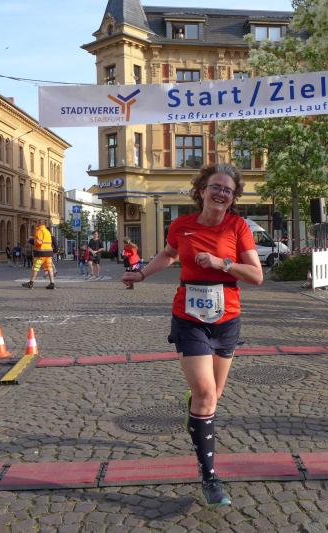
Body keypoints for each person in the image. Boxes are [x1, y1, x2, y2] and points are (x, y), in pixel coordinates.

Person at [122, 163, 263, 507]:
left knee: (213, 396)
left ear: (233, 197)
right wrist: (141, 274)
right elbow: (169, 255)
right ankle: (210, 477)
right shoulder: (181, 226)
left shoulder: (238, 227)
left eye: (228, 190)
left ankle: (196, 410)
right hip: (189, 317)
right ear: (201, 190)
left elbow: (256, 275)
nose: (221, 193)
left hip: (227, 319)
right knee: (205, 392)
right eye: (216, 186)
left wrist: (222, 263)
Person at [22, 221, 56, 289]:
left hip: (40, 253)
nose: (35, 224)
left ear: (39, 224)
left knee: (36, 267)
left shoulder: (39, 231)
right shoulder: (47, 232)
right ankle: (52, 283)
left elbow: (39, 242)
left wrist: (31, 240)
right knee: (49, 267)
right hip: (48, 253)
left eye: (36, 223)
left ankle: (31, 283)